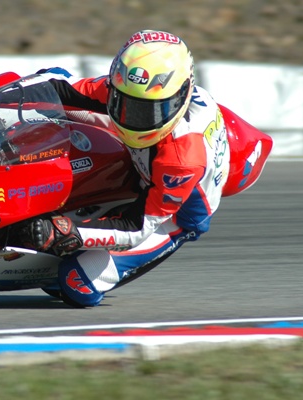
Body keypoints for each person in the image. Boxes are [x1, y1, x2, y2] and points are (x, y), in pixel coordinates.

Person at [23, 29, 232, 307]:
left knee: (77, 283)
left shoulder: (181, 160)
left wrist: (69, 232)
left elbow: (138, 226)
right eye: (123, 103)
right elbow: (60, 85)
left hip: (172, 214)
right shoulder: (129, 88)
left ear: (179, 97)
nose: (133, 118)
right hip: (144, 161)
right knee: (47, 104)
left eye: (150, 110)